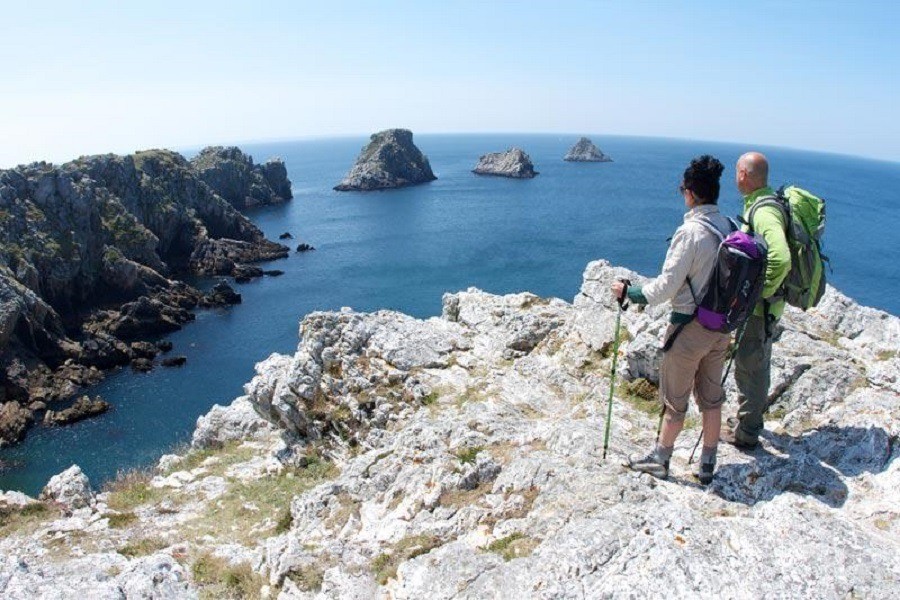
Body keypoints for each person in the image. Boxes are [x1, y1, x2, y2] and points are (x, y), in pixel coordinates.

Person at [612, 155, 732, 484]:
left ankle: (661, 459)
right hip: (721, 327)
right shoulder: (729, 227)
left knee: (674, 400)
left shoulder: (691, 232)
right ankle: (708, 463)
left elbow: (666, 287)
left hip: (689, 328)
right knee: (711, 397)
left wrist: (630, 292)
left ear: (690, 192)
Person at [721, 152, 791, 449]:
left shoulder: (763, 212)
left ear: (744, 175)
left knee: (751, 364)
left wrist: (757, 293)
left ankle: (747, 432)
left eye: (737, 172)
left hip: (761, 307)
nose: (735, 177)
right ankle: (746, 419)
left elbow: (781, 257)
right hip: (765, 305)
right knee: (753, 360)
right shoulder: (763, 203)